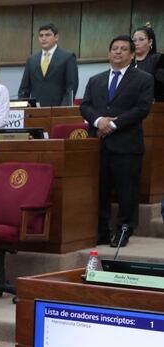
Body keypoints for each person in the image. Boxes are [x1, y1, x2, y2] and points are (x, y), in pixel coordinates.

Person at [80, 35, 154, 248]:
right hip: (99, 145)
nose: (118, 52)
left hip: (127, 145)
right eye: (114, 48)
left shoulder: (143, 79)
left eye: (123, 49)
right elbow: (85, 106)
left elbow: (142, 109)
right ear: (109, 53)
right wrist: (99, 120)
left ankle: (124, 230)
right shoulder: (96, 80)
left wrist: (113, 125)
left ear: (132, 55)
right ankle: (101, 231)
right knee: (100, 190)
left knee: (126, 191)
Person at [18, 23, 79, 107]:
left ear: (56, 37)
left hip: (58, 110)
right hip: (35, 111)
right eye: (41, 35)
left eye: (47, 35)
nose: (43, 38)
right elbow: (24, 88)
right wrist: (22, 106)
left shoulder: (68, 57)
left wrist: (62, 109)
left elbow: (71, 86)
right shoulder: (32, 60)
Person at [132, 25, 164, 101]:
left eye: (141, 39)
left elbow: (161, 85)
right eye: (134, 40)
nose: (137, 43)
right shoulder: (127, 61)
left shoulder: (160, 59)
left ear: (150, 42)